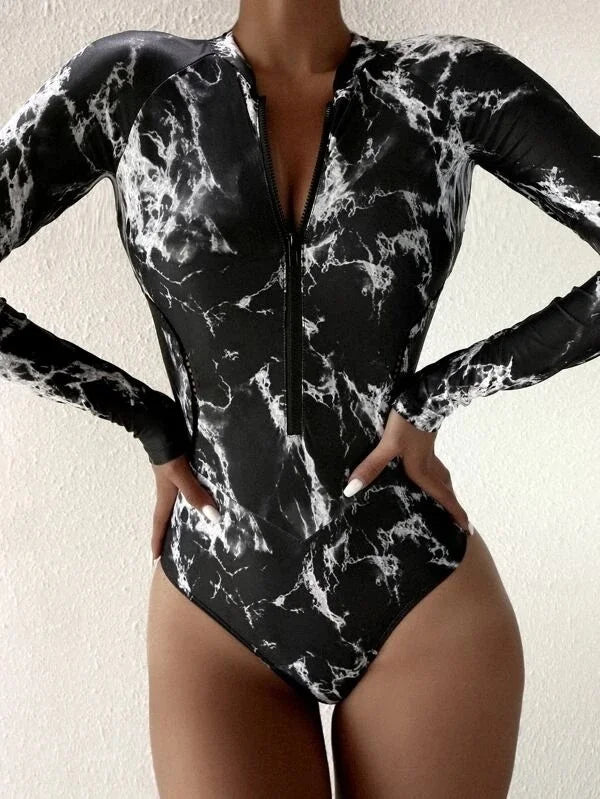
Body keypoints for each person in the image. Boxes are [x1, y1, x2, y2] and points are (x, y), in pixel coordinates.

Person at [2, 1, 599, 796]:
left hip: (413, 593)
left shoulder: (446, 84)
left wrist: (437, 394)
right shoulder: (130, 84)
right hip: (217, 606)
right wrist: (141, 414)